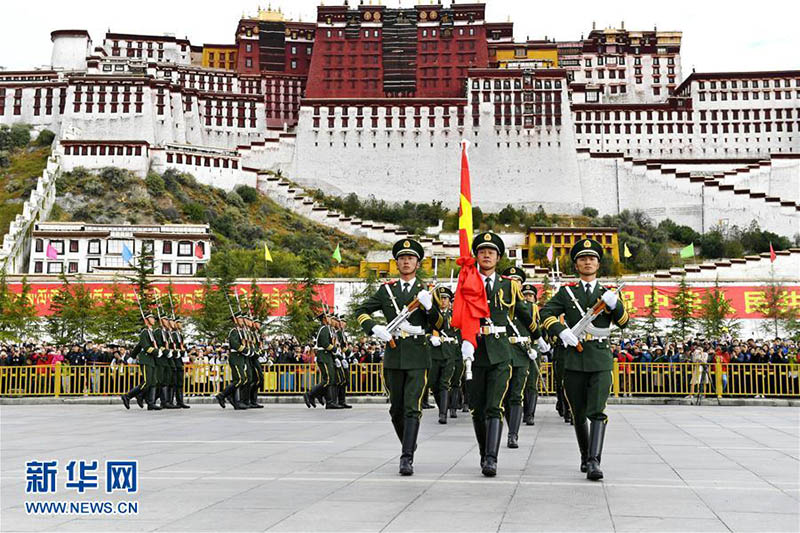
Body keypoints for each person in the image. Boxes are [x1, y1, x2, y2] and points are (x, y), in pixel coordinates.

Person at [540, 238, 630, 481]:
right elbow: (545, 313)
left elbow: (624, 322)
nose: (587, 262)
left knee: (597, 411)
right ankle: (585, 455)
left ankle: (594, 461)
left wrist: (615, 306)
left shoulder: (607, 293)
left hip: (600, 358)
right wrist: (561, 331)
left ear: (598, 264)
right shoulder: (567, 292)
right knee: (578, 412)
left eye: (592, 258)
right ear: (576, 265)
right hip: (574, 358)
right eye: (582, 259)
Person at [355, 238, 442, 476]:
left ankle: (406, 457)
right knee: (396, 409)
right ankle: (409, 443)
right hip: (394, 354)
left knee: (412, 406)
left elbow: (440, 324)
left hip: (418, 355)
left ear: (417, 263)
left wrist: (429, 308)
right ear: (397, 263)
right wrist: (374, 327)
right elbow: (361, 310)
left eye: (410, 258)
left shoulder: (425, 291)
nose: (406, 262)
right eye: (402, 258)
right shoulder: (387, 291)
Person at [459, 232, 540, 477]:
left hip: (501, 352)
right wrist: (463, 340)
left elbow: (524, 312)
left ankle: (491, 458)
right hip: (475, 351)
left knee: (495, 406)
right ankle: (484, 452)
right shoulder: (467, 281)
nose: (486, 255)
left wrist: (539, 336)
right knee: (477, 408)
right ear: (476, 256)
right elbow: (459, 313)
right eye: (482, 251)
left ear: (498, 258)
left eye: (491, 252)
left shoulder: (509, 285)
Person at [500, 267, 549, 448]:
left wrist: (536, 344)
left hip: (522, 352)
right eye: (511, 280)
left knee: (516, 394)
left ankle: (513, 434)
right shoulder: (499, 303)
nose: (515, 284)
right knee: (504, 395)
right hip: (502, 350)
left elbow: (533, 328)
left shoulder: (530, 307)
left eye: (518, 281)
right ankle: (510, 425)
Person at [429, 286, 459, 424]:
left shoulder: (453, 315)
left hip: (449, 351)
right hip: (434, 352)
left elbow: (459, 332)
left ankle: (443, 413)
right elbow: (425, 329)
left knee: (444, 383)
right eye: (440, 298)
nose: (443, 301)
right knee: (433, 383)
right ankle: (443, 407)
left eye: (445, 298)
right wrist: (430, 337)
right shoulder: (432, 315)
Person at [304, 311, 342, 409]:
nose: (331, 319)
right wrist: (334, 349)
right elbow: (325, 343)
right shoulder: (324, 329)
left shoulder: (328, 329)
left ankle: (329, 401)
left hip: (328, 356)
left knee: (331, 379)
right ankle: (310, 393)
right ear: (324, 319)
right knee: (328, 379)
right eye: (329, 317)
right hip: (324, 356)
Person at [121, 312, 158, 410]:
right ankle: (128, 396)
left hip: (152, 359)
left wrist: (132, 356)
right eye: (151, 318)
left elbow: (139, 345)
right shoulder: (144, 332)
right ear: (146, 320)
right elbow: (145, 347)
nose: (154, 320)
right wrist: (157, 351)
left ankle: (150, 403)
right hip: (145, 359)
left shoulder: (151, 332)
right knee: (147, 382)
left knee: (153, 382)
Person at [521, 282, 546, 426]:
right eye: (525, 295)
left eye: (530, 295)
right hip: (519, 348)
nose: (528, 298)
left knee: (531, 383)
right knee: (519, 383)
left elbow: (542, 330)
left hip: (533, 349)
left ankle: (529, 414)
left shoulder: (537, 312)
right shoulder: (519, 310)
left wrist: (541, 345)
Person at [215, 313, 249, 410]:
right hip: (235, 357)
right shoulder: (234, 331)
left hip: (240, 357)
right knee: (240, 380)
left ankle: (234, 400)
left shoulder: (241, 331)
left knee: (240, 380)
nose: (242, 320)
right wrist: (245, 349)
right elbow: (234, 344)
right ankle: (223, 394)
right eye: (240, 319)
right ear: (235, 320)